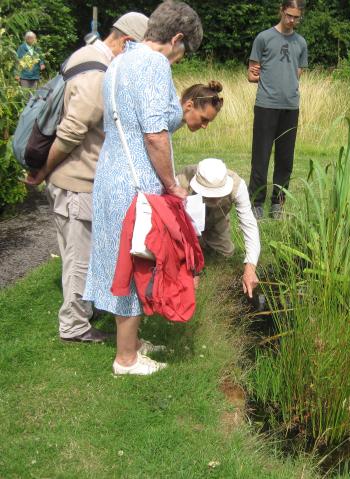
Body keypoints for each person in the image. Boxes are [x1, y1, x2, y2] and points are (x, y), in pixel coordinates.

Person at [83, 1, 214, 376]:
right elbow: (155, 136)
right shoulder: (154, 64)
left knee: (125, 254)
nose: (181, 57)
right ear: (176, 38)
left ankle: (132, 342)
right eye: (184, 49)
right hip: (135, 179)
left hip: (110, 171)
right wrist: (172, 184)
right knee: (135, 259)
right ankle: (125, 359)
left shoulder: (121, 58)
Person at [25, 12, 149, 344]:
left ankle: (84, 313)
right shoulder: (98, 73)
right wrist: (44, 171)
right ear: (126, 42)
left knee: (75, 254)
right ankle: (75, 327)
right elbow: (70, 132)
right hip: (76, 181)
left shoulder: (86, 54)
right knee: (81, 259)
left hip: (71, 180)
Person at [247, 0, 308, 219]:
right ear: (281, 11)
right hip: (266, 105)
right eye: (289, 15)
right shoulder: (263, 38)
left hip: (290, 106)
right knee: (261, 157)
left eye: (296, 17)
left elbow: (297, 72)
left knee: (285, 159)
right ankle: (256, 203)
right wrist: (264, 78)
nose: (292, 20)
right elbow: (251, 74)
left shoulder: (301, 43)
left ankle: (278, 203)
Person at [176, 158, 260, 298]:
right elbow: (171, 223)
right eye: (209, 194)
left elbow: (249, 225)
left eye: (218, 194)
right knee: (182, 258)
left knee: (225, 254)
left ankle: (205, 243)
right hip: (185, 222)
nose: (214, 199)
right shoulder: (182, 181)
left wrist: (250, 267)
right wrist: (190, 268)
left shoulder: (238, 186)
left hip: (217, 219)